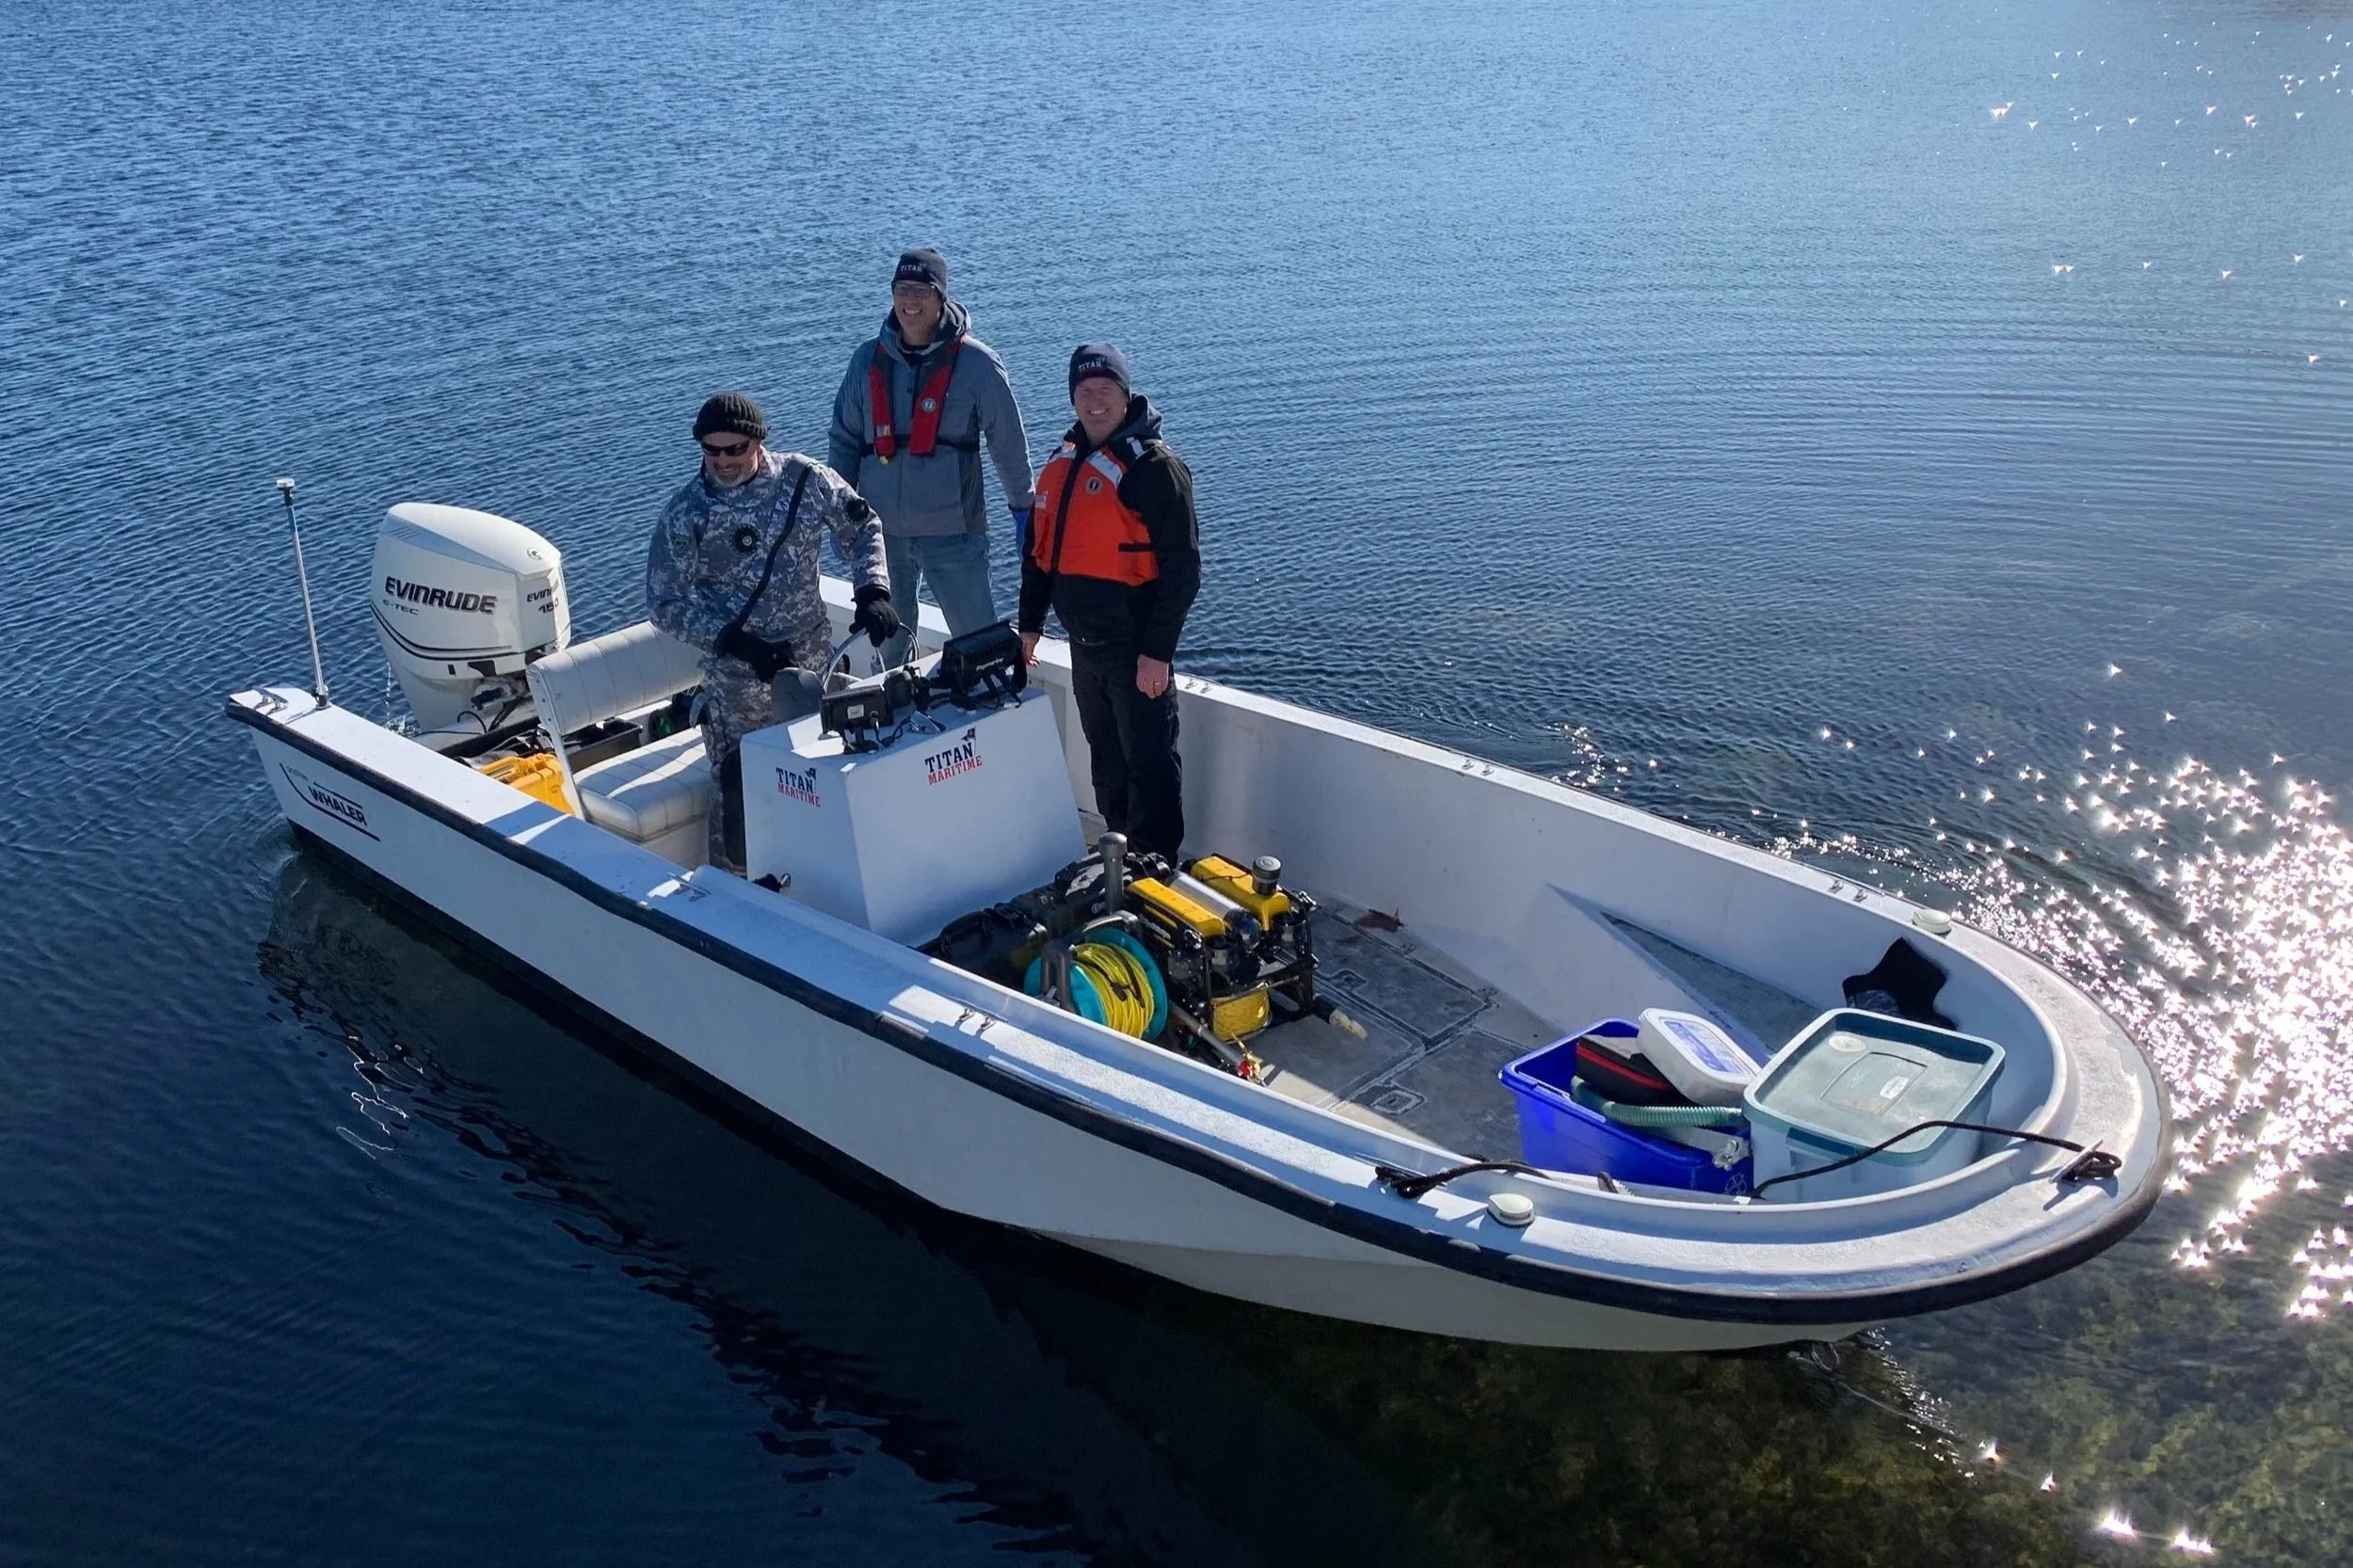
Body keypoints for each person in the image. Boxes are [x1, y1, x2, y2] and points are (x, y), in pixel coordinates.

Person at [648, 392, 899, 873]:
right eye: (712, 450)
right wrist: (733, 642)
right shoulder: (686, 513)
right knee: (739, 787)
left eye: (735, 448)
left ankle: (818, 870)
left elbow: (863, 525)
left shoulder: (805, 480)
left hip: (812, 667)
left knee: (814, 773)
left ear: (759, 441)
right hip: (738, 680)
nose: (723, 461)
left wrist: (872, 590)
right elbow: (663, 603)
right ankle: (734, 889)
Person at [1017, 345, 1200, 862]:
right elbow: (1039, 554)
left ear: (1125, 395)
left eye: (1105, 391)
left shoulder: (1155, 469)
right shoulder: (1062, 464)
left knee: (1150, 761)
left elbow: (1183, 574)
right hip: (1085, 645)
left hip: (1136, 647)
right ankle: (1118, 853)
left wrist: (1157, 653)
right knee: (1106, 759)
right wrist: (1029, 625)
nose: (1094, 401)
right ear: (1073, 398)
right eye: (1084, 391)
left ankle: (1156, 865)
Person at [828, 248, 1032, 666]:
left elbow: (1008, 443)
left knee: (980, 645)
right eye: (902, 289)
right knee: (888, 649)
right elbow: (845, 440)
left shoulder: (978, 364)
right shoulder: (866, 361)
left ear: (940, 297)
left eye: (921, 290)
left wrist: (1023, 509)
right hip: (881, 537)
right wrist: (839, 513)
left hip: (954, 535)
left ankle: (988, 718)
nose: (910, 301)